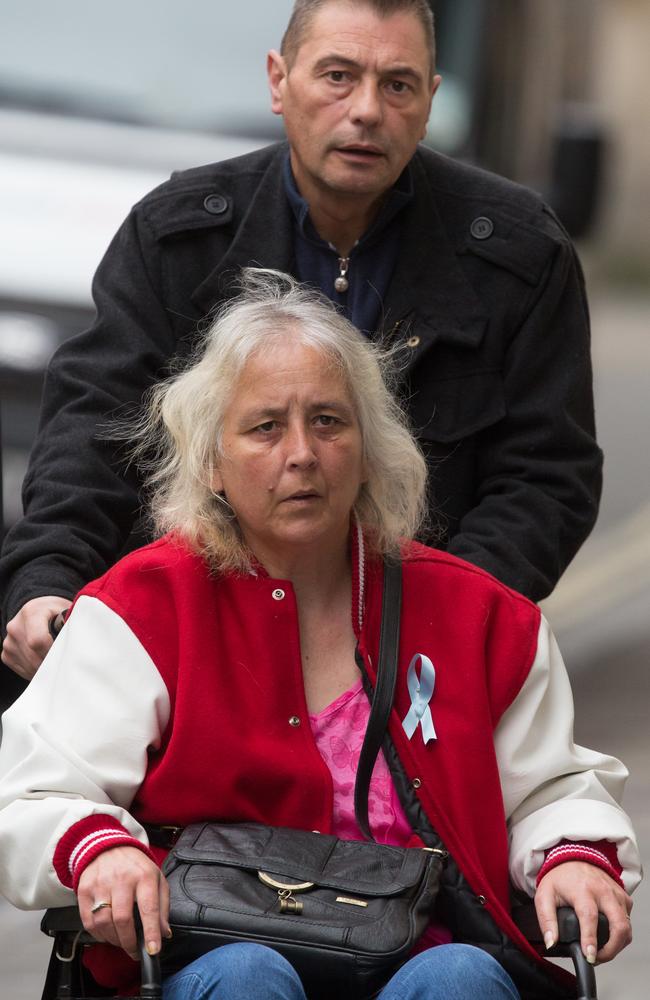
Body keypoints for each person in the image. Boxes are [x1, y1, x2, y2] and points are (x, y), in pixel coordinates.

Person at [0, 272, 639, 1000]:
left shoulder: (482, 616)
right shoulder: (142, 607)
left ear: (367, 448)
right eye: (265, 426)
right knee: (248, 974)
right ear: (210, 461)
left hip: (424, 955)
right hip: (207, 957)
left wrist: (574, 854)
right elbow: (35, 788)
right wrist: (100, 852)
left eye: (329, 421)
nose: (301, 453)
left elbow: (551, 788)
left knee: (462, 976)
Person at [1, 0, 602, 687]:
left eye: (398, 84)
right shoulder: (176, 237)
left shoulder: (521, 255)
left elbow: (547, 477)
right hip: (198, 649)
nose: (368, 110)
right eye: (338, 76)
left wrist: (436, 627)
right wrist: (47, 576)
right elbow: (95, 428)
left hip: (417, 668)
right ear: (278, 81)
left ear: (431, 99)